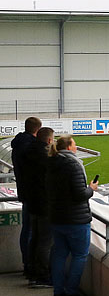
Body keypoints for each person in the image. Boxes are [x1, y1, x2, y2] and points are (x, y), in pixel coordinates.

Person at [47, 136, 98, 296]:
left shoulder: (50, 163)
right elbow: (79, 195)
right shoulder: (74, 165)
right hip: (75, 219)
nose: (76, 147)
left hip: (56, 218)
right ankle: (71, 294)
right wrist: (91, 189)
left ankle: (58, 293)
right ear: (69, 147)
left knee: (59, 255)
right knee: (79, 255)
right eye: (75, 144)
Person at [11, 117, 44, 282]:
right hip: (34, 196)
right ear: (37, 130)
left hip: (25, 193)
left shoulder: (17, 145)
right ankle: (32, 267)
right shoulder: (31, 148)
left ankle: (28, 265)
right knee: (34, 232)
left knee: (28, 230)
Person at [27, 127, 55, 288]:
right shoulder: (45, 157)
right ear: (49, 140)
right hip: (44, 203)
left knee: (36, 237)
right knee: (45, 241)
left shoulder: (28, 152)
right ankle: (43, 276)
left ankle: (32, 272)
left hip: (32, 201)